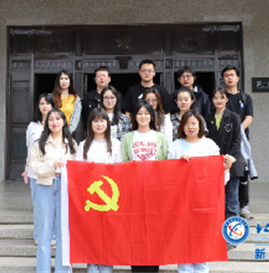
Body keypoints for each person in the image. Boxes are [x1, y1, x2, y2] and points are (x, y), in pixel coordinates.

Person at [168, 110, 234, 273]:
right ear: (182, 126)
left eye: (194, 123)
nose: (190, 127)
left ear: (200, 125)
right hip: (182, 202)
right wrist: (178, 165)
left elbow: (218, 174)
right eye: (187, 123)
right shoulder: (175, 146)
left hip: (204, 202)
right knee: (184, 239)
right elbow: (168, 175)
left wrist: (225, 167)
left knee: (203, 240)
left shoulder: (209, 145)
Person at [121, 100, 168, 273]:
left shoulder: (160, 137)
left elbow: (165, 163)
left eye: (146, 113)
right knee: (135, 230)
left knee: (154, 230)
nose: (143, 116)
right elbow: (123, 163)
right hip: (134, 192)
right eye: (139, 113)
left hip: (155, 192)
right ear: (134, 116)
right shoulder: (127, 138)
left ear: (152, 116)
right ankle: (136, 266)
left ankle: (153, 267)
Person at [29, 109, 76, 273]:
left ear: (64, 121)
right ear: (47, 123)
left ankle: (62, 270)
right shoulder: (39, 144)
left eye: (58, 119)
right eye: (51, 119)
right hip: (45, 186)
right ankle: (43, 270)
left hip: (65, 188)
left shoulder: (71, 144)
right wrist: (52, 165)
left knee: (64, 231)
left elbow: (77, 166)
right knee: (44, 232)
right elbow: (34, 166)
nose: (55, 122)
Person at [76, 107, 121, 273]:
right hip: (91, 198)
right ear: (90, 124)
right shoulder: (83, 145)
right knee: (92, 235)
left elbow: (120, 170)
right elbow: (78, 170)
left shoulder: (116, 144)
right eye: (95, 121)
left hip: (110, 197)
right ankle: (93, 267)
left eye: (102, 121)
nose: (99, 124)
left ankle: (107, 267)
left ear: (108, 123)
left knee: (108, 235)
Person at [205, 88, 244, 250]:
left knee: (232, 203)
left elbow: (237, 141)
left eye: (222, 97)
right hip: (213, 166)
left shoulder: (234, 117)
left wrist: (228, 159)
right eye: (216, 98)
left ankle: (232, 238)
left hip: (231, 165)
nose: (219, 101)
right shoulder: (207, 117)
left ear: (227, 99)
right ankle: (215, 237)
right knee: (215, 204)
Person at [22, 93, 56, 245]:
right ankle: (38, 235)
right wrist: (26, 167)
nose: (45, 106)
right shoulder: (32, 126)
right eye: (42, 103)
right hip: (35, 171)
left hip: (52, 171)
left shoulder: (56, 123)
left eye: (47, 103)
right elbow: (29, 148)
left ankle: (53, 236)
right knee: (38, 205)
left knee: (52, 205)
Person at [222, 66, 255, 220]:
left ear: (237, 78)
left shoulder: (245, 98)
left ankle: (243, 206)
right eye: (226, 75)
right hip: (224, 140)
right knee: (226, 173)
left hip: (241, 141)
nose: (229, 78)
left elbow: (249, 117)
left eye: (232, 75)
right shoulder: (221, 97)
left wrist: (237, 130)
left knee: (242, 173)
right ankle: (226, 205)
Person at [51, 70, 82, 135]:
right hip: (52, 132)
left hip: (68, 134)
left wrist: (66, 133)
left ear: (70, 81)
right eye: (61, 79)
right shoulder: (52, 97)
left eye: (66, 79)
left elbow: (75, 119)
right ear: (58, 81)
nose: (64, 81)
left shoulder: (76, 99)